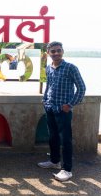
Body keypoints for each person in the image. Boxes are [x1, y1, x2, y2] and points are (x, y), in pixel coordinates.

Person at [37, 41, 86, 182]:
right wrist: (45, 100)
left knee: (66, 140)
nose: (56, 53)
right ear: (48, 53)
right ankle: (54, 161)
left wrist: (70, 104)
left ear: (63, 51)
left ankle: (67, 170)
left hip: (63, 111)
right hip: (50, 108)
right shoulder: (48, 68)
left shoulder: (71, 68)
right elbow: (49, 86)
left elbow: (81, 88)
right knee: (53, 137)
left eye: (59, 50)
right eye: (53, 51)